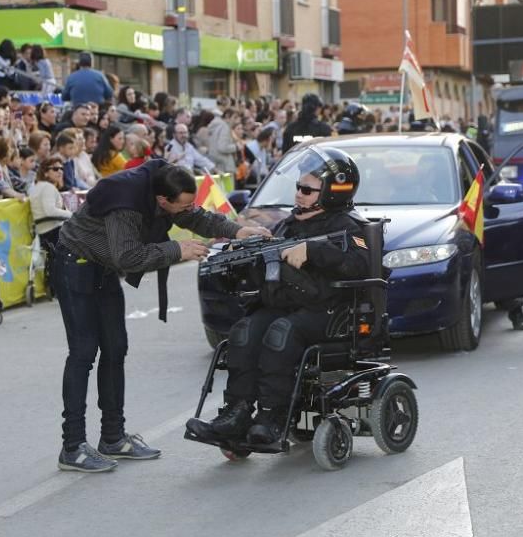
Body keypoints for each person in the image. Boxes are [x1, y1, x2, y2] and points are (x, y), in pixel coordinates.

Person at [53, 160, 272, 472]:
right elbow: (128, 257)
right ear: (161, 201)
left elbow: (195, 215)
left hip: (102, 270)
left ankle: (113, 437)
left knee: (115, 349)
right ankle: (72, 446)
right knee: (83, 353)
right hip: (75, 266)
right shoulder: (125, 204)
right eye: (180, 205)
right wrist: (176, 250)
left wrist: (236, 230)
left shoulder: (165, 184)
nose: (187, 209)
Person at [186, 146, 370, 445]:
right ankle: (236, 413)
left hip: (329, 312)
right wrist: (244, 254)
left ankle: (273, 416)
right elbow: (268, 272)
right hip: (286, 306)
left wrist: (314, 250)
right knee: (244, 332)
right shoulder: (288, 224)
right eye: (298, 187)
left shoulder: (352, 226)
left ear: (334, 191)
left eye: (307, 189)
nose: (299, 194)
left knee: (281, 334)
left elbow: (361, 265)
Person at [29, 155, 71, 257]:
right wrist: (72, 215)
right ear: (45, 172)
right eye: (55, 169)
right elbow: (50, 211)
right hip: (53, 233)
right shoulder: (47, 187)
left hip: (46, 233)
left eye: (61, 168)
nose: (60, 171)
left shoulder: (40, 186)